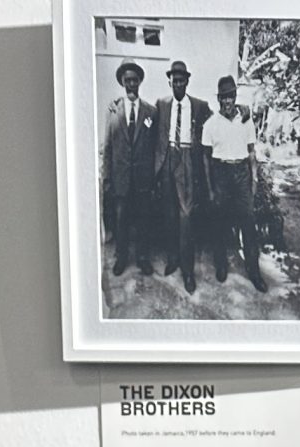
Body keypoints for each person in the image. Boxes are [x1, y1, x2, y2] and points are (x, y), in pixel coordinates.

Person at [153, 58, 210, 293]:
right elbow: (148, 121)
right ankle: (173, 259)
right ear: (170, 82)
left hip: (187, 160)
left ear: (187, 82)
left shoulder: (200, 106)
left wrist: (241, 110)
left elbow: (218, 121)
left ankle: (188, 271)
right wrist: (118, 104)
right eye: (174, 80)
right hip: (167, 161)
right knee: (169, 216)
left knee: (186, 217)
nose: (177, 84)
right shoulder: (161, 104)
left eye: (181, 80)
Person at [203, 75, 265, 289]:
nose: (227, 102)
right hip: (220, 172)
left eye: (231, 97)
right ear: (219, 99)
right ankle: (221, 265)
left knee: (248, 222)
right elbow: (206, 158)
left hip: (241, 174)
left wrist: (254, 178)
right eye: (224, 98)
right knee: (219, 222)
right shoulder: (210, 124)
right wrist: (211, 187)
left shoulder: (246, 121)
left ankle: (254, 272)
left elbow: (251, 152)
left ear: (235, 97)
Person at [101, 59, 158, 278]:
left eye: (134, 80)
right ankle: (121, 258)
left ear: (140, 82)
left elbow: (154, 147)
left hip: (143, 179)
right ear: (122, 83)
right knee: (121, 219)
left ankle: (143, 258)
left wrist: (153, 177)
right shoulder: (113, 110)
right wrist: (107, 178)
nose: (131, 85)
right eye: (127, 81)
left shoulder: (150, 112)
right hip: (121, 178)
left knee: (144, 220)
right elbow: (108, 146)